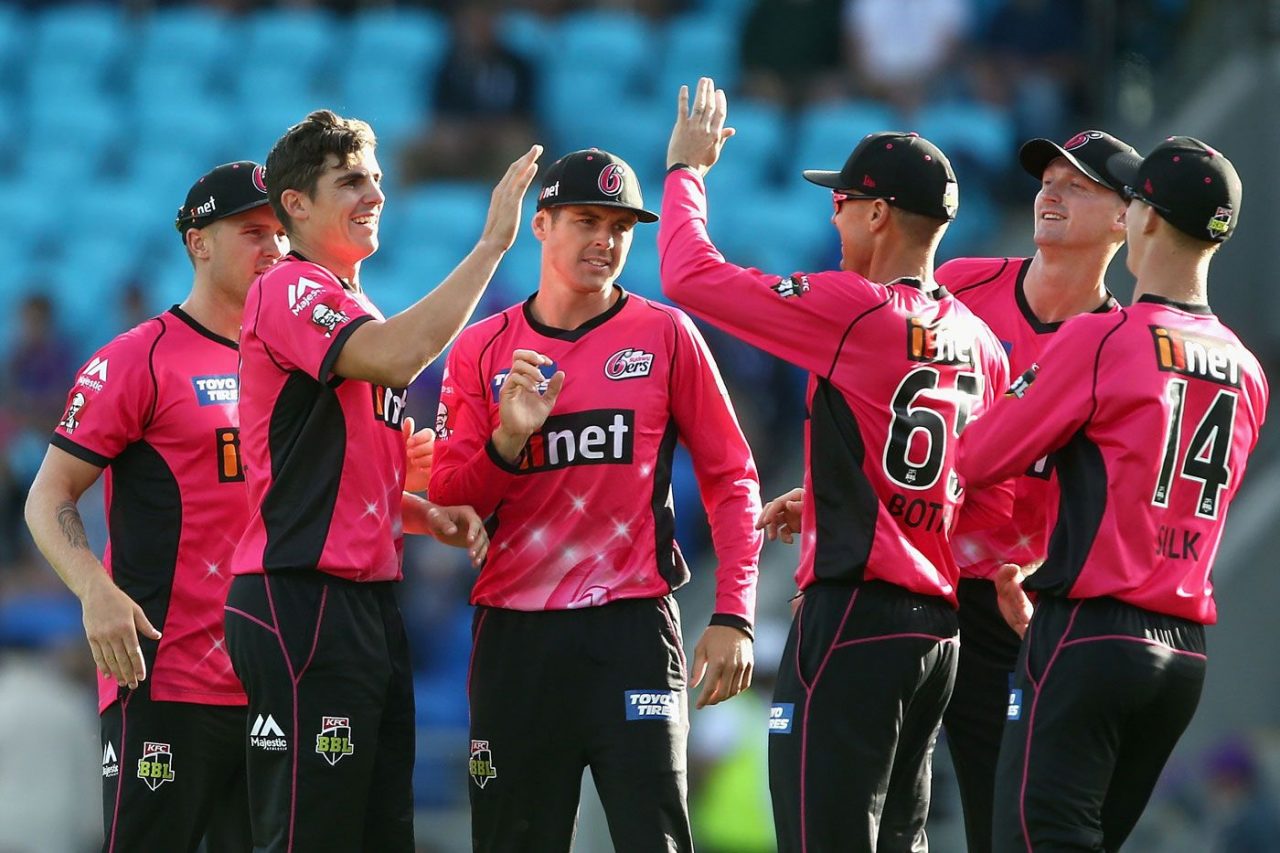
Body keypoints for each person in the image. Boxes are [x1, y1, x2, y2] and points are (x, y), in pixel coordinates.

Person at [660, 77, 1009, 853]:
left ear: (878, 213)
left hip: (855, 617)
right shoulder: (981, 341)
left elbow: (691, 278)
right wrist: (826, 495)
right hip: (939, 630)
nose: (833, 212)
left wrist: (687, 172)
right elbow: (970, 481)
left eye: (844, 199)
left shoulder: (857, 307)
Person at [429, 146, 763, 852]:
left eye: (621, 227)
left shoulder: (666, 334)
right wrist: (509, 438)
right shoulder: (483, 349)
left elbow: (732, 476)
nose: (606, 241)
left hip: (632, 630)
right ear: (542, 224)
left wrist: (734, 610)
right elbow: (451, 500)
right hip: (516, 638)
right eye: (587, 220)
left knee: (656, 839)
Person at [224, 110, 538, 852]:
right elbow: (398, 359)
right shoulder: (289, 289)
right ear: (294, 205)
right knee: (313, 832)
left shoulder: (349, 305)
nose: (374, 194)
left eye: (376, 178)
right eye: (351, 181)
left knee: (376, 831)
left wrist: (427, 515)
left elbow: (334, 478)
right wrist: (492, 244)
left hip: (359, 602)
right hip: (299, 596)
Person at [958, 137, 1268, 851]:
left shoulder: (1107, 337)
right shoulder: (1246, 367)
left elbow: (978, 455)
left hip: (1091, 636)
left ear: (1142, 218)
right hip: (1182, 654)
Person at [23, 161, 285, 852]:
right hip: (163, 677)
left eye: (282, 234)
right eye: (253, 232)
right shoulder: (139, 359)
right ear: (198, 242)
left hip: (274, 676)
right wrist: (94, 590)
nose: (274, 250)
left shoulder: (300, 367)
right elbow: (47, 495)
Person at [935, 129, 1140, 852]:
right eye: (1047, 179)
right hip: (915, 581)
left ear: (1126, 217)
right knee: (869, 810)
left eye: (1077, 185)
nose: (1050, 192)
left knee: (1006, 826)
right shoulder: (960, 283)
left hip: (1018, 614)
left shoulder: (1126, 344)